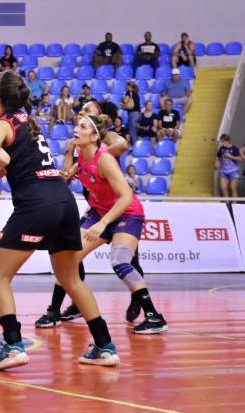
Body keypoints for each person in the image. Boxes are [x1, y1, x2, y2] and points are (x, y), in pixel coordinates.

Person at [0, 71, 120, 370]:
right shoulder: (27, 122)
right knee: (70, 278)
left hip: (37, 205)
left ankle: (13, 346)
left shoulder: (2, 123)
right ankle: (105, 346)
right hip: (63, 201)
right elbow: (10, 162)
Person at [62, 114, 168, 334]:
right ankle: (80, 306)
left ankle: (154, 316)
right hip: (102, 212)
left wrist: (103, 223)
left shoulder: (104, 159)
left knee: (119, 260)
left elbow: (126, 196)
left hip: (126, 214)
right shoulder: (82, 155)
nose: (76, 128)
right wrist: (67, 156)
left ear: (94, 136)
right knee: (69, 256)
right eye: (77, 125)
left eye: (82, 127)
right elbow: (65, 176)